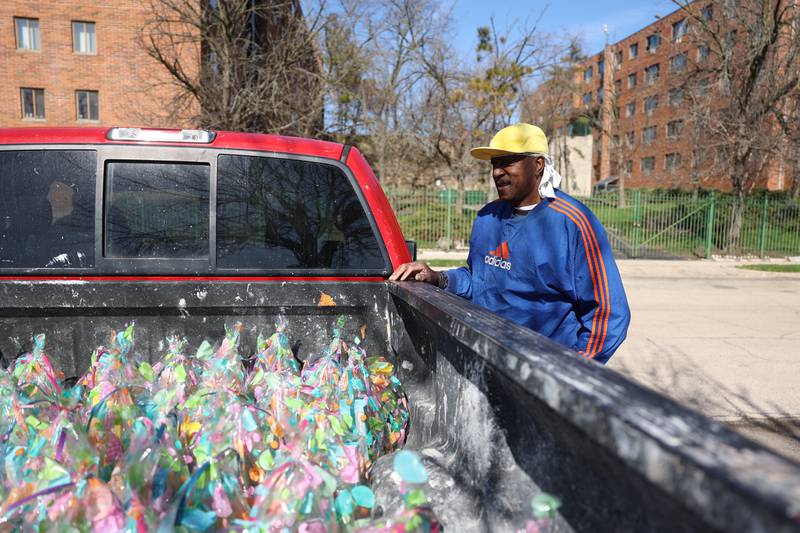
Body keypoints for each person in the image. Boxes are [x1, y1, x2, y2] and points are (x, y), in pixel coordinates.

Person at [389, 123, 630, 364]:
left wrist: (569, 373)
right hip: (486, 358)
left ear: (538, 165)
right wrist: (438, 278)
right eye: (494, 163)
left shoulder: (573, 223)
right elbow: (479, 280)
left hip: (542, 370)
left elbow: (609, 315)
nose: (496, 172)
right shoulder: (487, 218)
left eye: (508, 162)